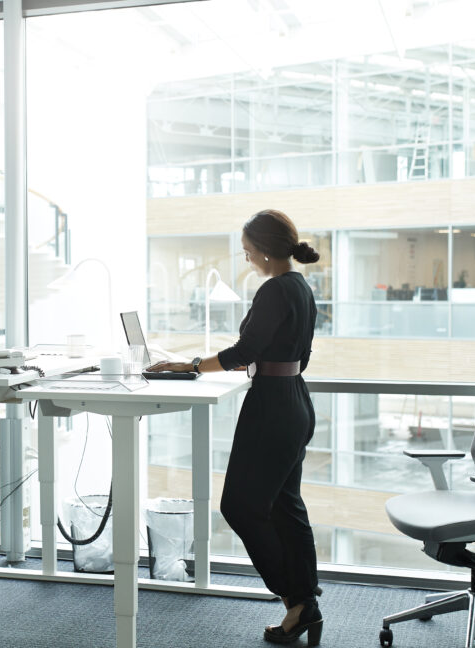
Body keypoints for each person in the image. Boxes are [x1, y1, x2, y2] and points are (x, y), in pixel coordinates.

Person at [148, 208, 323, 646]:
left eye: (248, 251)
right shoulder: (301, 287)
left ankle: (297, 601)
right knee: (286, 505)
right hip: (296, 400)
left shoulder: (274, 290)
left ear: (264, 250)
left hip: (272, 407)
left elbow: (244, 351)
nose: (246, 259)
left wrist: (188, 364)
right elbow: (291, 352)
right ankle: (303, 602)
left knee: (240, 507)